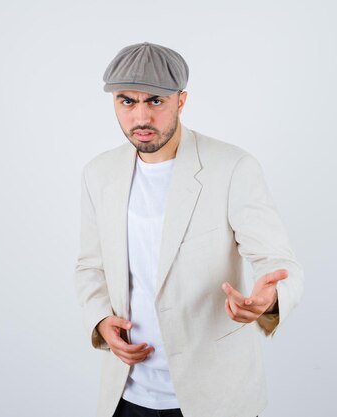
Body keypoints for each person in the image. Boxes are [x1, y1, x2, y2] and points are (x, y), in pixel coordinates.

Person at [74, 42, 303, 417]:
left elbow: (278, 260)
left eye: (156, 101)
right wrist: (100, 319)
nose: (141, 116)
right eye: (127, 102)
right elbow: (89, 265)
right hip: (127, 394)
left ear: (181, 101)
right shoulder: (98, 174)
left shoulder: (232, 167)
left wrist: (269, 298)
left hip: (214, 397)